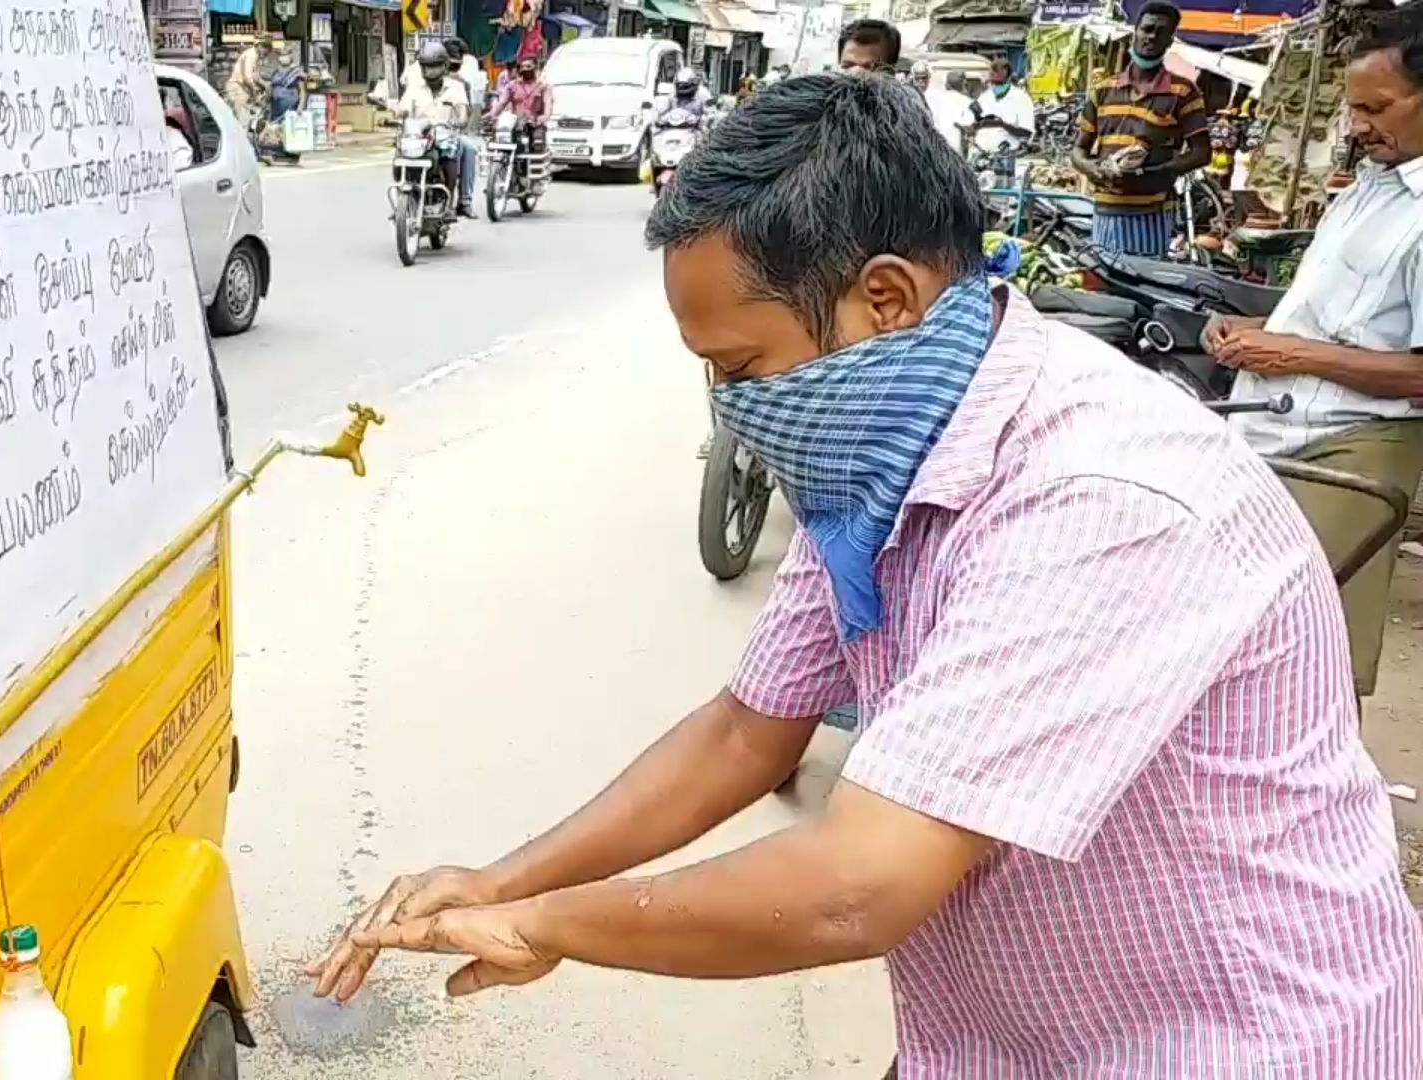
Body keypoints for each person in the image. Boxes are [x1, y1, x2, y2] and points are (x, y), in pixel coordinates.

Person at [308, 73, 1423, 1078]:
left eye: (740, 369)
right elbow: (751, 728)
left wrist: (554, 926)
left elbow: (858, 887)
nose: (733, 409)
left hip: (1228, 1042)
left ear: (884, 300)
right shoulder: (885, 461)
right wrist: (506, 879)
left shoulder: (1102, 494)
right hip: (1010, 1037)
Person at [1211, 1, 1423, 704]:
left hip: (1357, 446)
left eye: (1378, 108)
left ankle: (1324, 809)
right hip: (1280, 427)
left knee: (1313, 659)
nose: (1359, 126)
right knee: (1248, 641)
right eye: (1354, 107)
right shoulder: (1370, 188)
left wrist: (1295, 355)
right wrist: (1249, 333)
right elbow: (1327, 311)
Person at [1071, 2, 1211, 256]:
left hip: (1151, 212)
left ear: (1170, 41)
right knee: (1102, 283)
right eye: (1147, 29)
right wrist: (1092, 168)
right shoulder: (1103, 89)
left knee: (1144, 286)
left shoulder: (1183, 92)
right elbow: (1078, 150)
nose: (1151, 37)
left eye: (1161, 32)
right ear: (1134, 31)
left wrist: (1160, 172)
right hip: (1105, 209)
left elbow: (1202, 153)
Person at [394, 41, 478, 217]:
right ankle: (402, 197)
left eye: (435, 67)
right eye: (426, 67)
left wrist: (461, 118)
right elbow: (403, 108)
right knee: (399, 153)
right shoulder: (415, 88)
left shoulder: (456, 87)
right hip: (419, 137)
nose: (430, 72)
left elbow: (462, 108)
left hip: (446, 135)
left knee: (462, 148)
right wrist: (395, 113)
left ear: (445, 66)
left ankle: (455, 201)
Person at [966, 55, 1034, 162]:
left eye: (996, 70)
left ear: (1007, 75)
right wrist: (973, 127)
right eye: (991, 70)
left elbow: (1026, 132)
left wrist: (1001, 124)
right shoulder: (984, 97)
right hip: (980, 156)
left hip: (1007, 157)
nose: (992, 73)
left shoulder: (1021, 98)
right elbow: (974, 123)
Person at [487, 55, 551, 156]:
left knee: (538, 143)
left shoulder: (543, 86)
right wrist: (491, 116)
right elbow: (502, 103)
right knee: (498, 140)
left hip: (535, 124)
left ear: (536, 67)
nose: (525, 69)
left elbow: (547, 111)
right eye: (522, 67)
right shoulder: (512, 85)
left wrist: (538, 120)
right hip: (516, 124)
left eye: (528, 66)